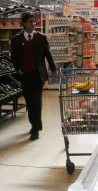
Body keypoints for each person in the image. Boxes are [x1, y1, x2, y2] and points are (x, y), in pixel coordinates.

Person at [11, 12, 58, 140]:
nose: (33, 24)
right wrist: (18, 70)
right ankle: (33, 123)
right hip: (25, 76)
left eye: (34, 21)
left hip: (38, 75)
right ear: (24, 23)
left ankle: (35, 128)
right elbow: (14, 57)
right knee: (29, 102)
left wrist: (54, 69)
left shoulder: (41, 38)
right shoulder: (16, 39)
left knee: (37, 101)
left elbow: (48, 54)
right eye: (30, 21)